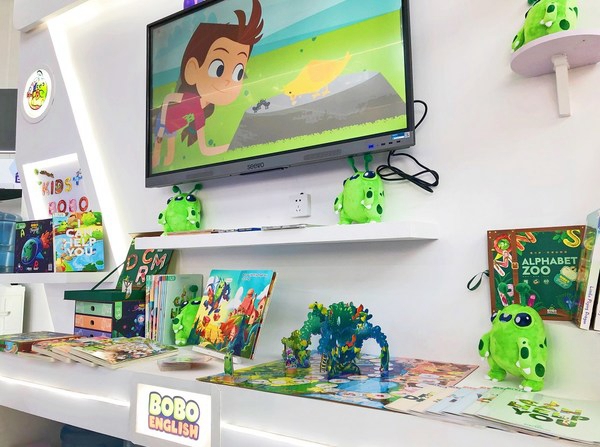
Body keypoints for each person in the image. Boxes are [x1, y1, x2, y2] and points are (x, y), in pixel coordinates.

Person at [153, 0, 264, 167]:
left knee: (169, 157)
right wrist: (161, 127)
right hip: (162, 125)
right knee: (161, 157)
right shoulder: (189, 99)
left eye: (239, 72)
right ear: (192, 70)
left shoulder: (202, 113)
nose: (228, 80)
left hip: (173, 129)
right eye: (218, 68)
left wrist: (231, 146)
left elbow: (205, 149)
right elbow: (168, 98)